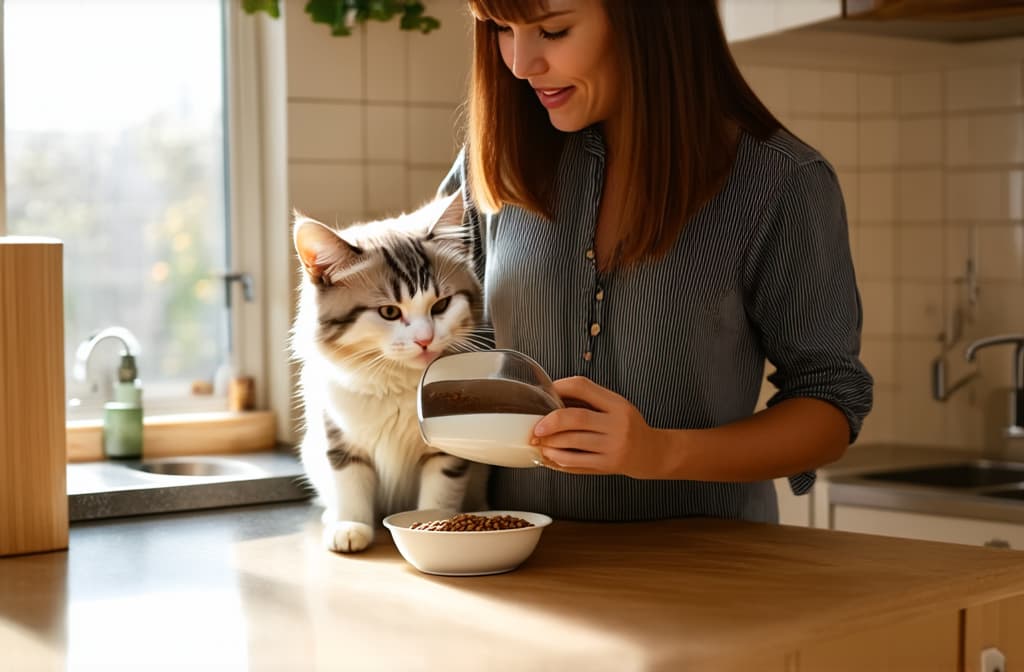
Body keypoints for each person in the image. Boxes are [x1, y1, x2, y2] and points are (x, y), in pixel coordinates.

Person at [438, 0, 873, 523]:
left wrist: (661, 451)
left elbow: (828, 403)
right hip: (518, 569)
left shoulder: (781, 181)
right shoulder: (495, 163)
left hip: (710, 574)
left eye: (553, 31)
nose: (519, 63)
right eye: (502, 30)